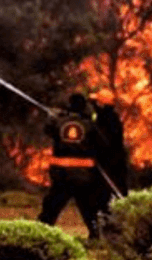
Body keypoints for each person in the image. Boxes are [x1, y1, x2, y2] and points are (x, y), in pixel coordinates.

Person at [38, 93, 125, 238]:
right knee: (89, 208)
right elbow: (103, 144)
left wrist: (53, 117)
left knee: (51, 207)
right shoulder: (89, 125)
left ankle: (40, 233)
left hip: (60, 175)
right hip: (83, 176)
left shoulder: (59, 122)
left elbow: (48, 130)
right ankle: (95, 235)